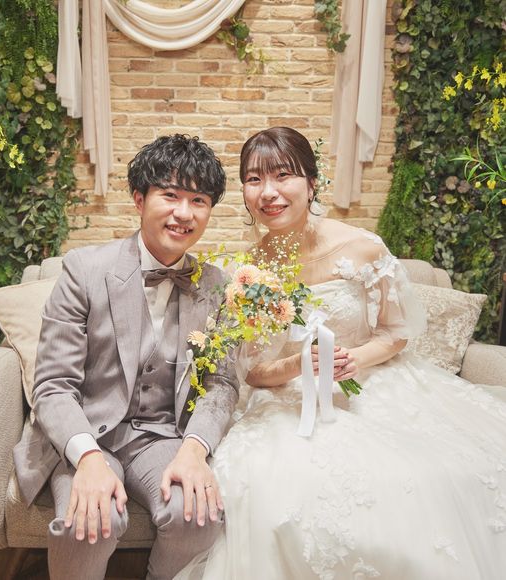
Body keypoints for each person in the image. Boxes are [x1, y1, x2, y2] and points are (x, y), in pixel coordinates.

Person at [176, 127, 506, 579]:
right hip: (289, 400)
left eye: (282, 175)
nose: (268, 192)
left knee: (428, 471)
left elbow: (396, 332)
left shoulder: (363, 248)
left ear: (312, 183)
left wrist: (357, 358)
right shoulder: (249, 271)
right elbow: (253, 371)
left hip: (373, 385)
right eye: (254, 179)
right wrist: (297, 365)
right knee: (265, 477)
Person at [13, 134, 239, 580]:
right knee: (88, 523)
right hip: (87, 430)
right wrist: (87, 459)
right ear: (139, 199)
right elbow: (53, 385)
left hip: (162, 435)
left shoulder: (216, 285)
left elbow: (222, 383)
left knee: (198, 516)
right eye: (170, 195)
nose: (184, 213)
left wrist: (195, 450)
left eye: (198, 200)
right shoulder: (84, 269)